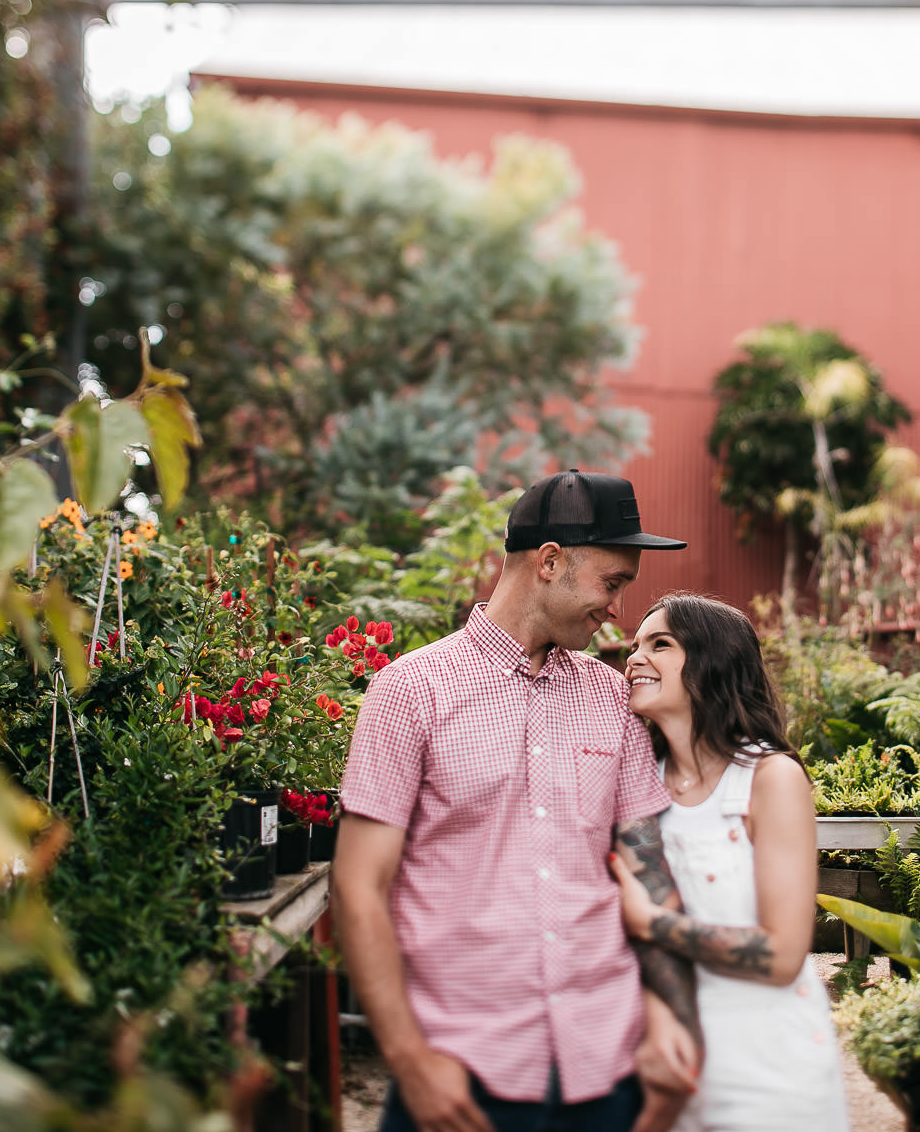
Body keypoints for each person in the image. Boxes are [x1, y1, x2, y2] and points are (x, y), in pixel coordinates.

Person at [333, 469, 706, 1132]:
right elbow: (359, 888)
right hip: (463, 1076)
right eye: (612, 582)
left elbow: (648, 868)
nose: (618, 606)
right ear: (550, 561)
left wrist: (672, 1021)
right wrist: (409, 1059)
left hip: (606, 1068)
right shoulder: (410, 692)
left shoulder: (613, 698)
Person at [608, 593, 850, 1132]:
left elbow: (784, 954)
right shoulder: (638, 784)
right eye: (635, 645)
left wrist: (652, 923)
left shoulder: (768, 780)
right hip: (663, 1063)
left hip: (766, 1070)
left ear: (714, 660)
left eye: (660, 644)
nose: (634, 658)